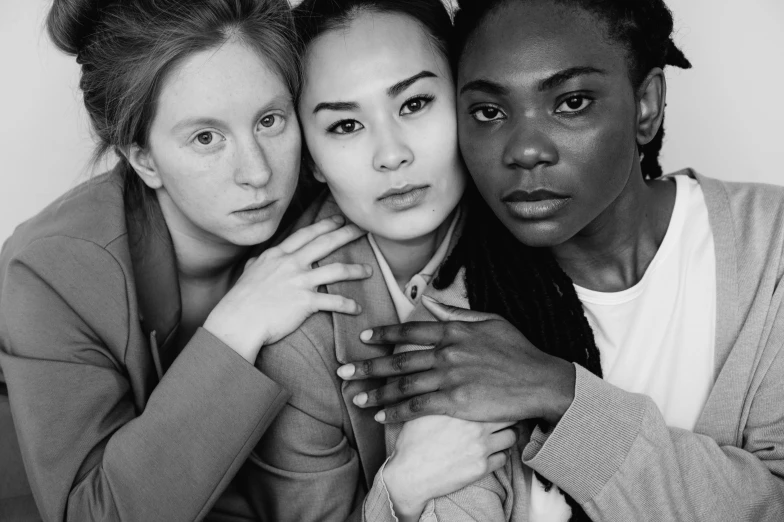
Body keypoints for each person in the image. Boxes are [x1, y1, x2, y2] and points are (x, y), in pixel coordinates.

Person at [337, 0, 784, 520]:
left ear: (646, 105)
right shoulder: (456, 333)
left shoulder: (768, 245)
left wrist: (558, 391)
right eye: (489, 112)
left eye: (571, 101)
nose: (525, 150)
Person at [0, 1, 373, 520]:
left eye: (270, 120)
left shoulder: (335, 197)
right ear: (142, 157)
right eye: (206, 138)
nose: (257, 171)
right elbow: (90, 515)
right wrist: (235, 327)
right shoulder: (50, 272)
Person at [241, 1, 519, 520]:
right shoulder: (298, 338)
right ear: (311, 158)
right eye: (346, 126)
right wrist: (401, 489)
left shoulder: (539, 215)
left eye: (414, 104)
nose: (391, 154)